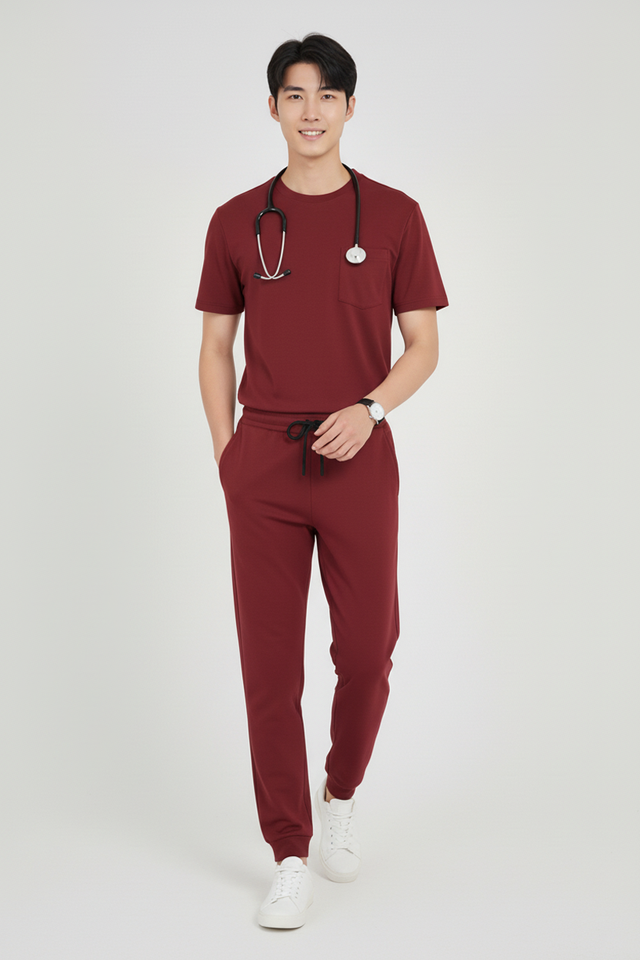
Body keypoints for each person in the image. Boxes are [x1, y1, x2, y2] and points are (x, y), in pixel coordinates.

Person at [196, 33, 448, 928]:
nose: (311, 112)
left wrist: (371, 409)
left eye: (327, 96)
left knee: (368, 652)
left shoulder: (395, 216)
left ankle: (340, 794)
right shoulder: (236, 220)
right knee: (268, 667)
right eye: (295, 96)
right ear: (272, 108)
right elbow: (215, 347)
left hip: (357, 455)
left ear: (349, 108)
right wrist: (229, 455)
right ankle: (289, 850)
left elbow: (424, 345)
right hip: (263, 459)